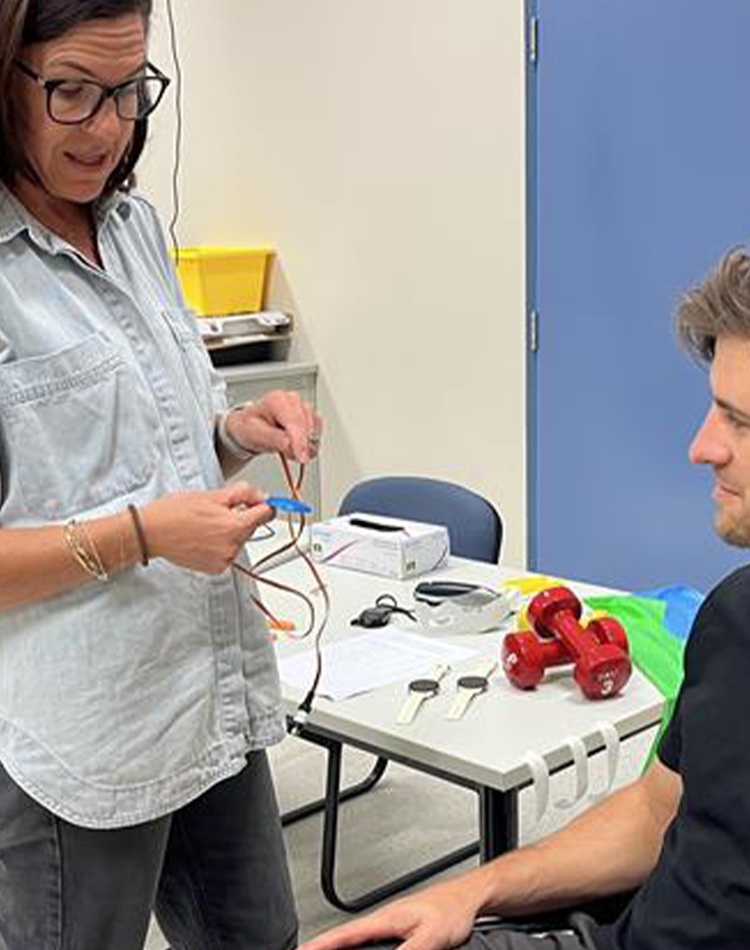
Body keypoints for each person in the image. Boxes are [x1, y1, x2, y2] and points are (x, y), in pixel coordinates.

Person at [300, 246, 750, 950]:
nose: (701, 447)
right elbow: (656, 813)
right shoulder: (736, 618)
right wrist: (467, 891)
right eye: (714, 410)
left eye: (740, 421)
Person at [0, 1, 321, 947]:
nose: (107, 128)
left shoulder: (134, 227)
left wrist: (234, 429)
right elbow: (127, 510)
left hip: (208, 700)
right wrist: (144, 535)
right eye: (71, 93)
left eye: (130, 92)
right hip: (84, 744)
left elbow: (144, 448)